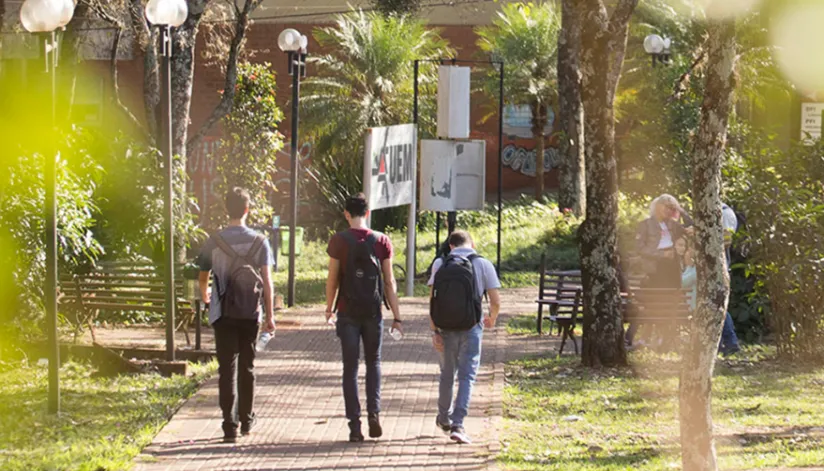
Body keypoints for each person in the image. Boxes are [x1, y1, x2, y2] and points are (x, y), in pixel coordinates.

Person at [197, 187, 275, 443]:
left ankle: (228, 425)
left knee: (226, 369)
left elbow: (203, 274)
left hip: (223, 313)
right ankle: (247, 420)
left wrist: (206, 296)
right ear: (247, 210)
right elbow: (267, 281)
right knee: (248, 367)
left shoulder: (214, 240)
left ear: (226, 209)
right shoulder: (260, 241)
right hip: (251, 313)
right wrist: (270, 316)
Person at [325, 193, 403, 443]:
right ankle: (374, 414)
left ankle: (354, 425)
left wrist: (329, 308)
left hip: (347, 312)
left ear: (346, 214)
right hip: (373, 312)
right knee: (374, 363)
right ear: (367, 213)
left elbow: (333, 278)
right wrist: (397, 315)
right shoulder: (382, 241)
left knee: (350, 367)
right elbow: (389, 281)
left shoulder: (339, 241)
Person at [428, 230, 501, 445]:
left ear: (451, 246)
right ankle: (458, 424)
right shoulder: (483, 263)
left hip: (445, 327)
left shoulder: (440, 264)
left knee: (446, 373)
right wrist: (492, 318)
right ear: (473, 243)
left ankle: (443, 418)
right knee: (467, 375)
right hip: (472, 327)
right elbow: (495, 301)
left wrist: (434, 331)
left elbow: (432, 301)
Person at [628, 194, 691, 347]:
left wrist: (681, 211)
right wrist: (661, 254)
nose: (669, 210)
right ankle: (640, 337)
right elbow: (639, 248)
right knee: (653, 303)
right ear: (656, 206)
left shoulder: (673, 225)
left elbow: (691, 228)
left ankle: (664, 339)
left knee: (669, 303)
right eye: (666, 206)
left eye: (671, 208)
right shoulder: (645, 225)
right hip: (654, 269)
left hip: (672, 269)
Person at [720, 202, 741, 356]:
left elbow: (726, 241)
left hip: (720, 267)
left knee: (718, 305)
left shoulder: (725, 214)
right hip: (720, 266)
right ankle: (726, 342)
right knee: (718, 305)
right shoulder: (723, 213)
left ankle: (731, 341)